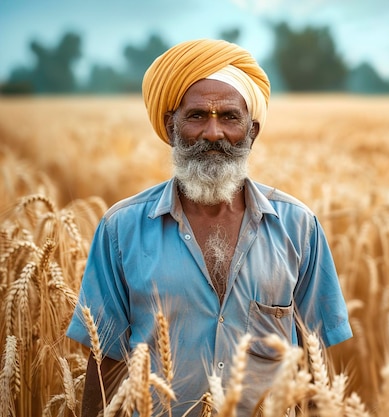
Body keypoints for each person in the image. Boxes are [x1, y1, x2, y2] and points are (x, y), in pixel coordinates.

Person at [66, 38, 353, 417]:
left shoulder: (300, 227)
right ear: (172, 127)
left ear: (252, 131)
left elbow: (316, 367)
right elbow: (105, 365)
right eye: (197, 115)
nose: (213, 133)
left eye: (230, 117)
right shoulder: (121, 229)